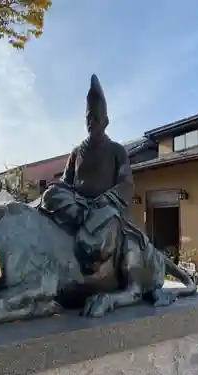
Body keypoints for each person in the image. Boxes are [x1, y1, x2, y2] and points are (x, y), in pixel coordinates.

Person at [41, 74, 135, 273]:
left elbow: (126, 182)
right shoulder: (77, 151)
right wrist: (55, 187)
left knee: (106, 219)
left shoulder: (117, 150)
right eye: (88, 118)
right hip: (79, 204)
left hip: (104, 207)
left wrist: (106, 199)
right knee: (51, 194)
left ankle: (89, 230)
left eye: (96, 118)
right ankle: (83, 218)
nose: (92, 122)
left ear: (106, 121)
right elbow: (66, 180)